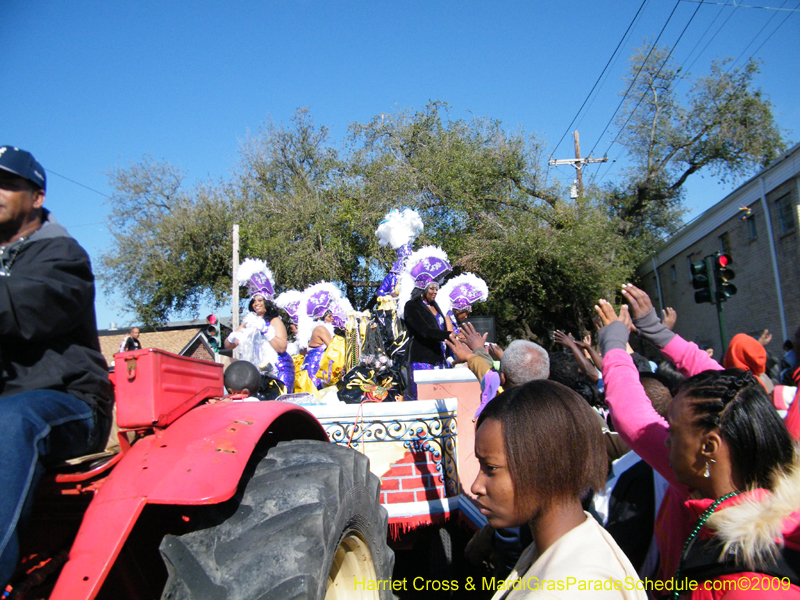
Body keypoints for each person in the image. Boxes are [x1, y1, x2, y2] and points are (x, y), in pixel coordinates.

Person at [596, 284, 800, 598]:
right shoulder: (752, 449)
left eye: (673, 431)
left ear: (708, 448)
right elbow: (725, 391)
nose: (665, 440)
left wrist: (614, 344)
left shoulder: (752, 585)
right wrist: (657, 331)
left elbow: (631, 416)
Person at [0, 147, 113, 587]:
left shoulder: (62, 255)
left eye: (7, 183)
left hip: (69, 404)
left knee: (11, 422)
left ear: (36, 197)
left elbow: (20, 310)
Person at [472, 380, 645, 599]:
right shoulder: (557, 547)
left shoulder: (573, 590)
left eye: (492, 468)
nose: (476, 486)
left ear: (548, 467)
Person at [224, 258, 293, 394]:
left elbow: (282, 347)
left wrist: (266, 331)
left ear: (266, 302)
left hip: (278, 372)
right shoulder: (248, 322)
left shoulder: (274, 321)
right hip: (256, 373)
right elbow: (228, 346)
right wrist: (232, 337)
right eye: (254, 300)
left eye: (260, 300)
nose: (256, 303)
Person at [397, 245, 456, 400]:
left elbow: (441, 327)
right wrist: (448, 335)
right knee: (423, 399)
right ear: (423, 287)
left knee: (440, 397)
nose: (435, 291)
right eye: (432, 288)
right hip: (421, 359)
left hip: (438, 358)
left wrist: (454, 336)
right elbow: (424, 330)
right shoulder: (412, 306)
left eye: (437, 288)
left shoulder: (435, 306)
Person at [438, 272, 489, 338]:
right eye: (466, 313)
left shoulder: (451, 318)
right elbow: (451, 337)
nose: (466, 317)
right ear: (459, 310)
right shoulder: (448, 317)